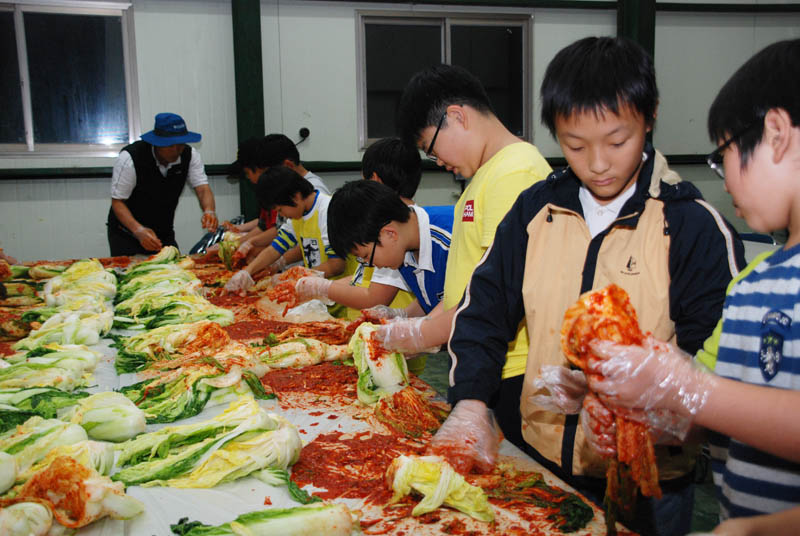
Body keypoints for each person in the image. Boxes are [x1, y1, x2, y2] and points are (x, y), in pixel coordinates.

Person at [435, 36, 746, 536]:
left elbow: (713, 353)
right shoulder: (537, 209)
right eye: (575, 145)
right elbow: (484, 308)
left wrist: (643, 407)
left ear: (650, 117)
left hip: (652, 480)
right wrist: (470, 402)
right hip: (543, 459)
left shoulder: (688, 225)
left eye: (616, 142)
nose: (597, 163)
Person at [579, 38, 800, 535]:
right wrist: (646, 419)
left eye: (724, 159)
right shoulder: (751, 284)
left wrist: (690, 388)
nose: (725, 183)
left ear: (777, 133)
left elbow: (705, 393)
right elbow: (717, 409)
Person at [376, 64, 551, 449]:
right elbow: (467, 289)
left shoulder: (515, 172)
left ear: (456, 116)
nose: (437, 161)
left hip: (511, 369)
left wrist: (418, 334)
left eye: (431, 147)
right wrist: (416, 326)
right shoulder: (485, 176)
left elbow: (496, 298)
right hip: (484, 362)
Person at [294, 137, 424, 310]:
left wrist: (323, 288)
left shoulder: (392, 233)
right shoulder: (381, 223)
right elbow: (361, 278)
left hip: (394, 327)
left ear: (375, 181)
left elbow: (373, 299)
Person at [323, 180, 452, 324]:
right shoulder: (404, 247)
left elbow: (461, 301)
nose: (373, 266)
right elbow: (434, 299)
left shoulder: (450, 238)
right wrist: (402, 315)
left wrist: (417, 329)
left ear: (390, 234)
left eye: (366, 256)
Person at [107, 113, 218, 255]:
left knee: (173, 271)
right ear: (157, 143)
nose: (177, 150)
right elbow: (118, 202)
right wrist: (138, 230)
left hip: (163, 231)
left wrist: (209, 211)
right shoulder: (130, 158)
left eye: (181, 145)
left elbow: (202, 188)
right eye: (171, 145)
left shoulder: (190, 156)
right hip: (128, 232)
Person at [224, 166, 346, 293]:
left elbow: (336, 265)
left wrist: (294, 277)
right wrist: (247, 272)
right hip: (318, 295)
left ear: (296, 197)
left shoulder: (327, 210)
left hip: (340, 296)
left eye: (280, 210)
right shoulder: (298, 215)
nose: (281, 215)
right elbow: (275, 248)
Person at [224, 134, 330, 264]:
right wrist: (251, 243)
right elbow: (281, 235)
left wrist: (279, 263)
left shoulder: (312, 194)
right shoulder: (291, 198)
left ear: (287, 166)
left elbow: (309, 248)